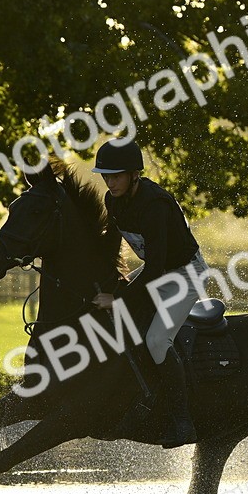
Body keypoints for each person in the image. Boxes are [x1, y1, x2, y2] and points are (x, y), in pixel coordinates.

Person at [91, 138, 208, 448]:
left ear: (134, 174)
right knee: (123, 320)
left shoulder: (154, 204)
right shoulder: (112, 200)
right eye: (106, 175)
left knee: (157, 339)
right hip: (159, 270)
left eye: (116, 175)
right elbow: (113, 246)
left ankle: (183, 422)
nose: (110, 181)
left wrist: (118, 299)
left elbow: (155, 268)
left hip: (185, 273)